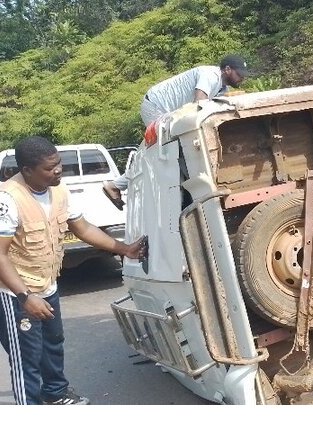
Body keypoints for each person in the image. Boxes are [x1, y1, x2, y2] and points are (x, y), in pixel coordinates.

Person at [0, 135, 147, 405]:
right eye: (49, 168)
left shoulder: (59, 190)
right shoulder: (8, 200)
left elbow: (83, 229)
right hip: (14, 293)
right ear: (27, 170)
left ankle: (55, 394)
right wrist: (24, 297)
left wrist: (123, 248)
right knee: (26, 358)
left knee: (53, 342)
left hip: (48, 285)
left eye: (58, 164)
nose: (58, 171)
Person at [101, 54, 250, 209]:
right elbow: (198, 105)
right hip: (156, 107)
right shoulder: (210, 76)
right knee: (163, 153)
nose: (242, 79)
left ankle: (118, 185)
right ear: (227, 69)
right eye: (239, 75)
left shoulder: (221, 88)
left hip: (168, 112)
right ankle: (116, 185)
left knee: (170, 152)